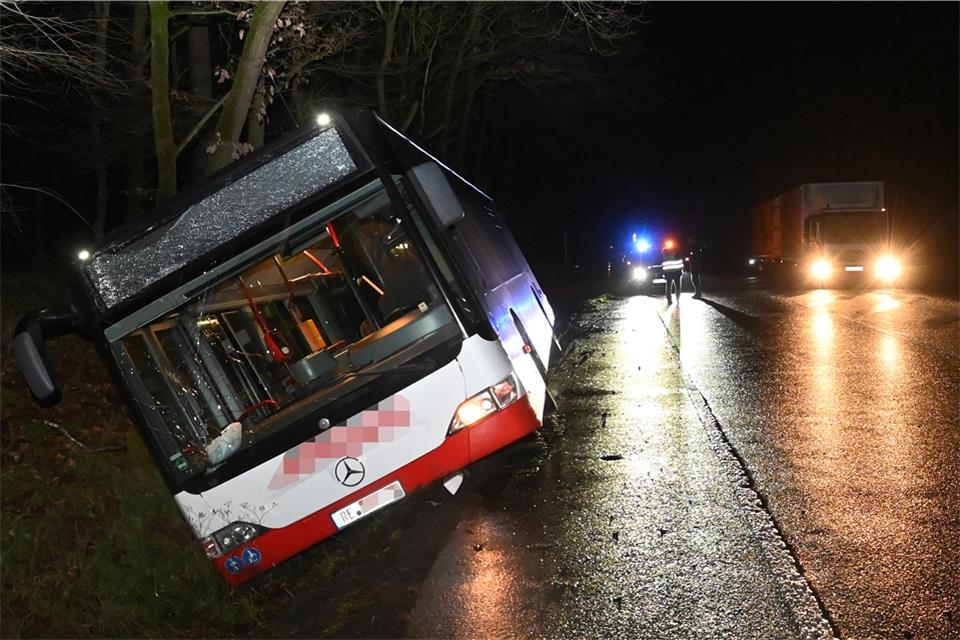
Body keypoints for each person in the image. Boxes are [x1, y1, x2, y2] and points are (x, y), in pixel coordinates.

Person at [661, 238, 684, 304]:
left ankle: (669, 300)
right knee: (678, 286)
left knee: (668, 286)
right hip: (677, 272)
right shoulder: (677, 252)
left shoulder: (664, 252)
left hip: (668, 272)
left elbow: (663, 262)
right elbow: (680, 259)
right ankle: (678, 299)